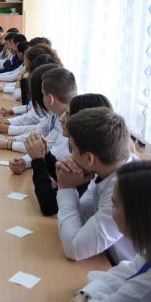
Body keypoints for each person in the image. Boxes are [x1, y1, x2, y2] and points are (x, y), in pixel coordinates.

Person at [56, 107, 136, 263]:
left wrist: (65, 188)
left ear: (89, 158)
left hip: (122, 269)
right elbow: (83, 216)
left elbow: (74, 249)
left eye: (72, 148)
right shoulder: (109, 169)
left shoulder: (126, 190)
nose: (69, 154)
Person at [71, 160, 151, 302]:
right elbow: (122, 273)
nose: (110, 210)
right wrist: (86, 294)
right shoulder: (147, 252)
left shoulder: (147, 287)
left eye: (114, 204)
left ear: (136, 215)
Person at [25, 94, 112, 216]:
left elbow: (48, 205)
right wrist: (45, 154)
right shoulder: (86, 150)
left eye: (67, 114)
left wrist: (38, 160)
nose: (61, 119)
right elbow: (65, 175)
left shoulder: (89, 159)